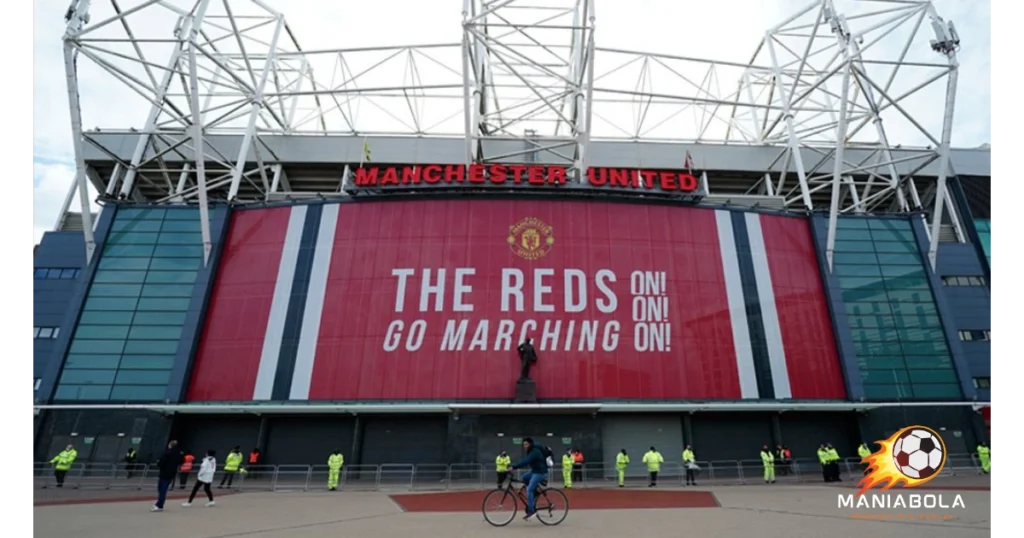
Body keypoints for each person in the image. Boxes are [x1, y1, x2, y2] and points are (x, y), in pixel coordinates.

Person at [509, 437, 549, 522]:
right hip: (535, 471)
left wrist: (513, 467)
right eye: (524, 445)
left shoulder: (534, 452)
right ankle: (535, 492)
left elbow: (526, 461)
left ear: (530, 444)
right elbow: (526, 460)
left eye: (526, 444)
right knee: (524, 477)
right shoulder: (531, 451)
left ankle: (531, 511)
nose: (525, 446)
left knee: (529, 489)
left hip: (540, 473)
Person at [151, 440, 183, 512]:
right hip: (172, 472)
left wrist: (158, 463)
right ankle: (159, 503)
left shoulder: (167, 453)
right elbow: (181, 461)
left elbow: (161, 462)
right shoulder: (178, 454)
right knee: (164, 488)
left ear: (170, 445)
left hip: (164, 472)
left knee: (162, 489)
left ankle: (160, 505)